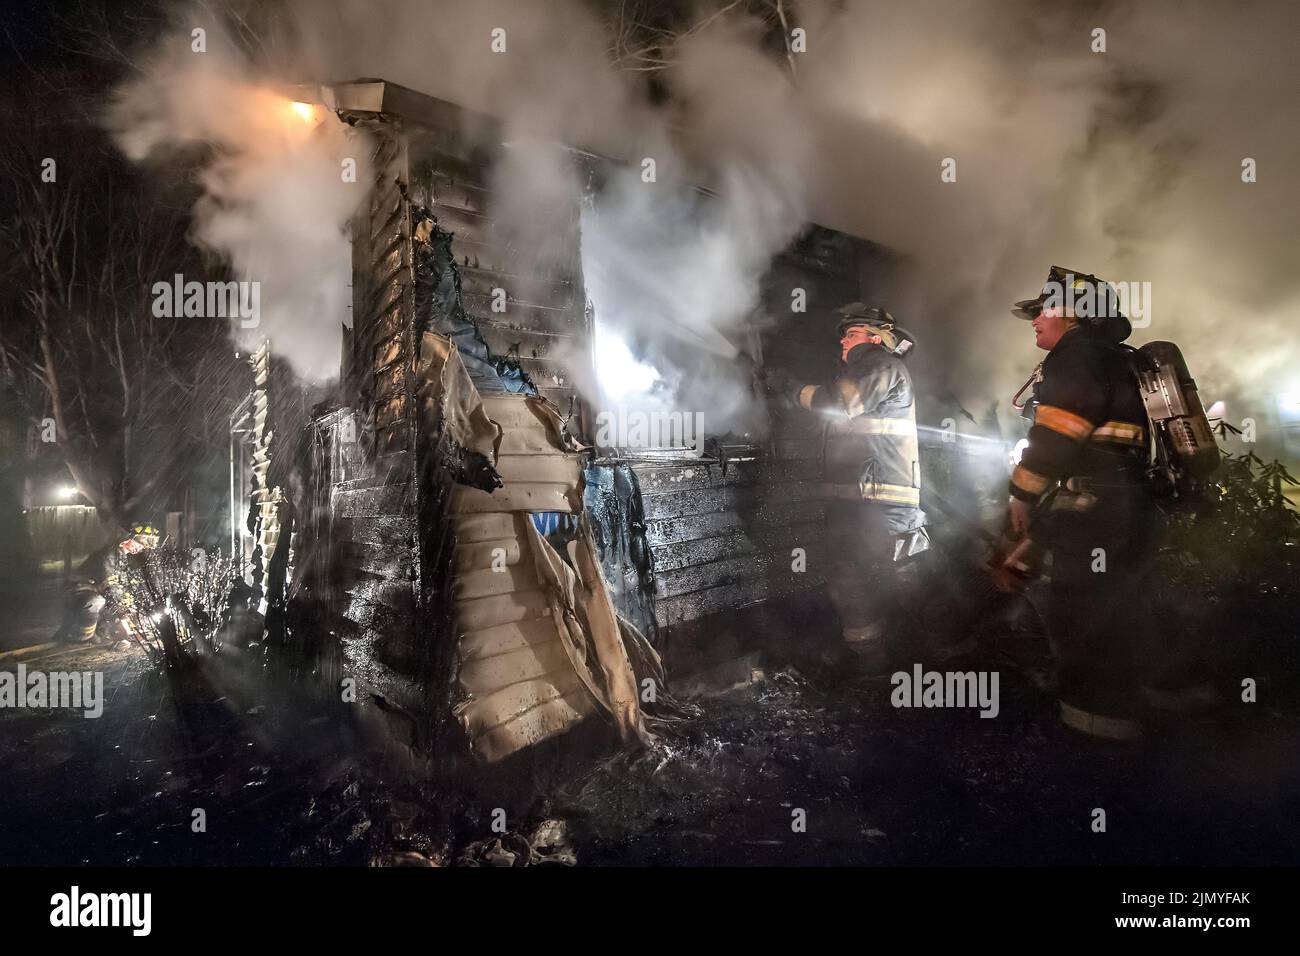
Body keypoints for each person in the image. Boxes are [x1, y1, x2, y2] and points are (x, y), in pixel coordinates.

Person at [1008, 266, 1156, 740]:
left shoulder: (1076, 356)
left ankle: (1094, 734)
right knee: (1126, 607)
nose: (1035, 320)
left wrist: (1022, 492)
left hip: (1097, 511)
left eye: (1044, 310)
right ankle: (1162, 705)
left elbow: (1058, 434)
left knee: (1080, 612)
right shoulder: (1117, 359)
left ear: (1072, 314)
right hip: (1130, 505)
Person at [777, 303, 928, 669]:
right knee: (847, 578)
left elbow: (837, 402)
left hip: (886, 502)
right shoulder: (859, 373)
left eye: (852, 333)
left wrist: (790, 388)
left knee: (907, 581)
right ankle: (870, 661)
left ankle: (944, 655)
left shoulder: (880, 364)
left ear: (876, 338)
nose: (843, 341)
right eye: (843, 335)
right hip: (854, 504)